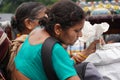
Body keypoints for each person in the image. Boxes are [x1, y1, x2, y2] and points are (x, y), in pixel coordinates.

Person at [14, 0, 99, 80]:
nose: (80, 35)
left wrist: (87, 52)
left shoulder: (36, 32)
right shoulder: (55, 49)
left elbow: (62, 63)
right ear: (57, 29)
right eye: (76, 31)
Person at [6, 2, 47, 80]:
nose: (49, 24)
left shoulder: (17, 44)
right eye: (44, 20)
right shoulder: (32, 47)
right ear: (29, 23)